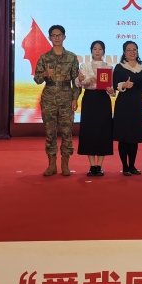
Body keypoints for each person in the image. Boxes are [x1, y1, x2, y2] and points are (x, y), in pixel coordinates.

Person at [33, 25, 80, 177]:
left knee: (67, 132)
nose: (57, 38)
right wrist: (44, 74)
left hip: (67, 98)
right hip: (49, 98)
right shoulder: (44, 57)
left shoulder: (72, 57)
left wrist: (75, 98)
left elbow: (76, 81)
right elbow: (37, 79)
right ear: (50, 38)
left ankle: (65, 164)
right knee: (50, 132)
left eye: (59, 35)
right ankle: (51, 164)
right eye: (54, 35)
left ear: (64, 37)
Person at [76, 40, 116, 177]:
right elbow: (80, 83)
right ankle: (92, 165)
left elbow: (113, 90)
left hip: (103, 100)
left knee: (103, 131)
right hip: (90, 99)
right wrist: (81, 79)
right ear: (91, 51)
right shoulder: (84, 66)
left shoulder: (109, 67)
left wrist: (111, 90)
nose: (97, 51)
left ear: (103, 51)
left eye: (100, 49)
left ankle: (100, 165)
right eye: (95, 48)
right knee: (89, 131)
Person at [112, 40, 142, 176]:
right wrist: (124, 85)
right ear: (124, 52)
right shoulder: (119, 67)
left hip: (137, 104)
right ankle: (125, 166)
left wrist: (138, 92)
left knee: (134, 136)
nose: (132, 52)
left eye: (134, 49)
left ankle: (132, 165)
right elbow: (114, 84)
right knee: (124, 136)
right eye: (129, 50)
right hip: (123, 104)